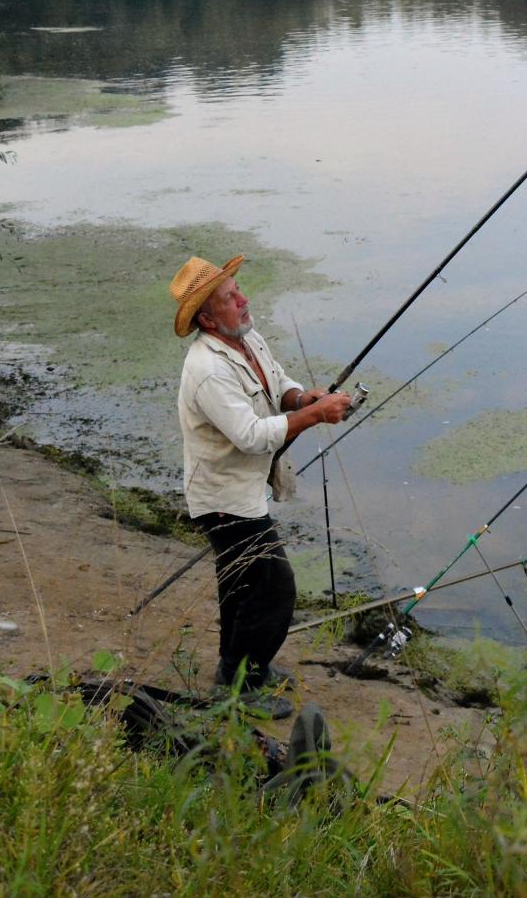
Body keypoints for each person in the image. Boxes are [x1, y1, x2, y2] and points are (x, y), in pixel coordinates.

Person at [169, 254, 352, 716]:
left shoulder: (247, 339)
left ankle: (241, 671)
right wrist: (312, 415)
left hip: (244, 489)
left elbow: (278, 381)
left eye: (238, 289)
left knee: (240, 585)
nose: (243, 299)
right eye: (231, 298)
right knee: (274, 588)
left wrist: (299, 397)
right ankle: (240, 686)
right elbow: (250, 436)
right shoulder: (208, 369)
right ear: (207, 318)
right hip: (222, 497)